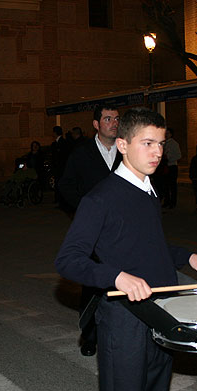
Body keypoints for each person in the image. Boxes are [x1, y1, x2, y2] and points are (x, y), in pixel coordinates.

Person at [55, 108, 197, 391]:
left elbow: (146, 244)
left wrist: (185, 256)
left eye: (161, 143)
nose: (157, 152)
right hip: (125, 320)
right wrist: (115, 276)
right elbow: (68, 259)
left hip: (160, 309)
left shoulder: (147, 189)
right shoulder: (101, 198)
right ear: (123, 145)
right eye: (148, 143)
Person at [57, 105, 122, 357]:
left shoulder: (126, 151)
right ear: (96, 124)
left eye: (117, 119)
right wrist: (85, 209)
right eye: (107, 119)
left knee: (123, 281)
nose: (113, 123)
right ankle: (90, 335)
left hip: (121, 230)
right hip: (93, 231)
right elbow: (65, 185)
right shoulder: (81, 153)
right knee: (93, 284)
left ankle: (118, 335)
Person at [162, 127, 181, 209]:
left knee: (172, 185)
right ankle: (167, 201)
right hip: (165, 167)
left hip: (172, 166)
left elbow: (178, 155)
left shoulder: (174, 144)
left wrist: (169, 158)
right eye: (166, 133)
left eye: (168, 133)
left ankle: (173, 202)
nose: (166, 135)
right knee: (166, 185)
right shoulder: (164, 143)